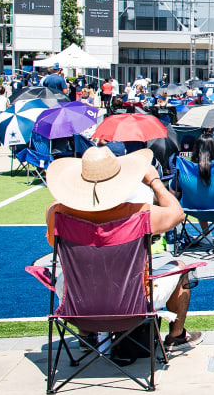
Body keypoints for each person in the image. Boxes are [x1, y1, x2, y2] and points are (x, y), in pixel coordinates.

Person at [45, 147, 201, 350]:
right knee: (180, 266)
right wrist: (155, 182)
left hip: (77, 306)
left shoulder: (57, 215)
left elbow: (54, 239)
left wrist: (70, 195)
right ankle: (177, 335)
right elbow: (178, 214)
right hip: (132, 305)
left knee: (73, 274)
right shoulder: (141, 214)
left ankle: (86, 334)